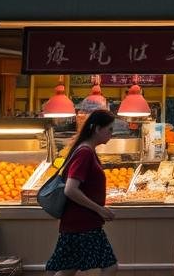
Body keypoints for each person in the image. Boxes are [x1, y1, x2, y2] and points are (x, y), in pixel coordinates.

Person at [45, 109, 120, 276]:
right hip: (82, 224)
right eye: (109, 129)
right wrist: (99, 209)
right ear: (97, 129)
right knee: (110, 267)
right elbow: (71, 189)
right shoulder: (85, 152)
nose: (111, 134)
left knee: (68, 269)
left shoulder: (86, 150)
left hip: (79, 223)